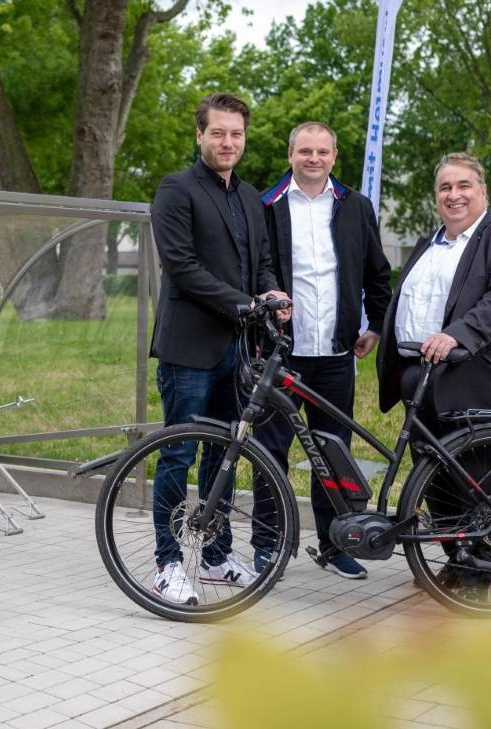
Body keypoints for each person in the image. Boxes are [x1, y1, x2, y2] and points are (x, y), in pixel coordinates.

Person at [375, 152, 491, 596]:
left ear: (483, 191)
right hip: (424, 379)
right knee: (438, 483)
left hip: (484, 379)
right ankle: (456, 561)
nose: (454, 195)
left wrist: (456, 334)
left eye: (464, 185)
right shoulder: (430, 242)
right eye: (445, 188)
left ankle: (479, 575)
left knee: (481, 483)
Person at [148, 93, 288, 605]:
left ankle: (213, 554)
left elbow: (264, 261)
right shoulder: (176, 190)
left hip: (239, 350)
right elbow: (182, 267)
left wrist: (270, 292)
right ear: (200, 135)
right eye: (218, 133)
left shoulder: (250, 196)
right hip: (190, 348)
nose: (228, 142)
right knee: (178, 454)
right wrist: (247, 303)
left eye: (236, 134)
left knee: (225, 453)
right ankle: (166, 562)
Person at [253, 122, 392, 580]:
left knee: (332, 453)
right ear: (290, 153)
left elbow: (377, 274)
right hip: (281, 355)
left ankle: (335, 545)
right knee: (269, 451)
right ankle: (266, 545)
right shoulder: (267, 206)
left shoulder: (356, 207)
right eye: (305, 151)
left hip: (336, 355)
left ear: (335, 156)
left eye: (323, 152)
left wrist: (374, 327)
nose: (314, 159)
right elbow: (257, 271)